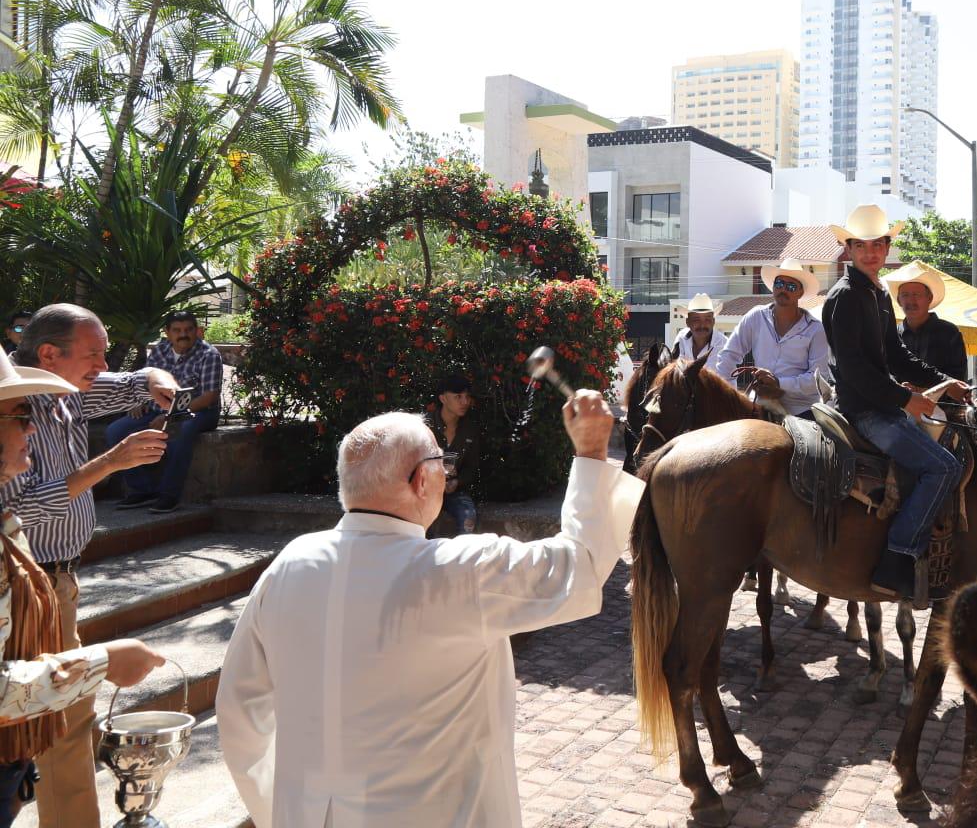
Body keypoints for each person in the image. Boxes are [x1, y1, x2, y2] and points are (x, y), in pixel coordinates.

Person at [216, 392, 641, 827]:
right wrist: (590, 453)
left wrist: (282, 813)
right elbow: (580, 569)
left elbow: (238, 710)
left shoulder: (290, 563)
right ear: (421, 480)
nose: (448, 473)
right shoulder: (458, 571)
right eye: (443, 462)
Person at [2, 304, 176, 827]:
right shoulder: (16, 401)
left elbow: (132, 382)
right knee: (52, 717)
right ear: (50, 354)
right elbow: (23, 508)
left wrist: (156, 380)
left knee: (66, 721)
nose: (104, 362)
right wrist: (110, 463)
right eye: (94, 353)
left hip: (57, 580)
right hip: (30, 584)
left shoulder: (63, 387)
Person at [822, 204, 969, 600]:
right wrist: (907, 400)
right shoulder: (847, 297)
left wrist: (945, 381)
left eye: (877, 245)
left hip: (882, 404)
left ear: (887, 248)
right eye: (860, 245)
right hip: (864, 410)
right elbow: (853, 370)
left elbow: (897, 355)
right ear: (849, 249)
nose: (870, 252)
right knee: (944, 469)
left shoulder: (878, 294)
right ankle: (897, 557)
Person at [105, 310, 224, 514]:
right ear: (167, 333)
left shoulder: (209, 354)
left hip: (198, 411)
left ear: (197, 331)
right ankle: (142, 490)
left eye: (188, 329)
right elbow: (145, 382)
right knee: (115, 431)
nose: (183, 334)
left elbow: (208, 397)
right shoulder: (161, 350)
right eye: (177, 330)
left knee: (180, 431)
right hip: (158, 408)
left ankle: (170, 496)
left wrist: (170, 417)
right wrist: (137, 401)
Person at [715, 257, 830, 418]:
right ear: (773, 287)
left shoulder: (815, 329)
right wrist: (726, 394)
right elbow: (728, 355)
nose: (783, 289)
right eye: (779, 284)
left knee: (815, 443)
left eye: (790, 286)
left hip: (802, 409)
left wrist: (779, 383)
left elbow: (818, 378)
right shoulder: (755, 316)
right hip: (760, 403)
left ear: (800, 293)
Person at [887, 262, 968, 383]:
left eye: (916, 294)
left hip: (941, 402)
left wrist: (924, 390)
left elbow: (958, 378)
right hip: (902, 401)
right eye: (905, 295)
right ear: (899, 301)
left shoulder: (949, 333)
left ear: (929, 298)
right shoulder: (892, 334)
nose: (911, 301)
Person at [425, 374, 480, 537]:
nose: (465, 402)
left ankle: (463, 560)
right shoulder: (425, 427)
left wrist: (457, 482)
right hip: (426, 491)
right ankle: (427, 561)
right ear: (443, 398)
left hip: (454, 491)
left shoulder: (470, 429)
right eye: (458, 397)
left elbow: (472, 468)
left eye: (467, 397)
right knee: (426, 522)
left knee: (468, 517)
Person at [674, 293, 727, 361]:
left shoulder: (724, 344)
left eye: (707, 319)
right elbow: (675, 365)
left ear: (713, 321)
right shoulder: (682, 338)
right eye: (696, 320)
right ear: (687, 322)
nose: (702, 325)